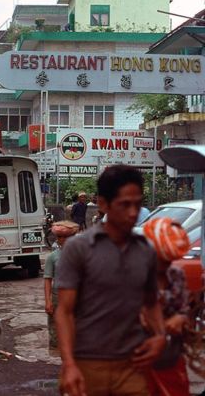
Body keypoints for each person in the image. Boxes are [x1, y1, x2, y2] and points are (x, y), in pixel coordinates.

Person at [56, 165, 166, 396]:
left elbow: (151, 302)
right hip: (87, 365)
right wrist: (69, 364)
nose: (133, 213)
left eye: (137, 204)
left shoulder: (145, 250)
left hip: (133, 367)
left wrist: (159, 337)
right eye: (125, 204)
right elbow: (64, 311)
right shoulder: (79, 248)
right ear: (104, 204)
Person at [142, 217, 192, 396]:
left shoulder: (176, 274)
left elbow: (184, 309)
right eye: (163, 260)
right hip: (138, 360)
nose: (167, 265)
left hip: (170, 358)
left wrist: (181, 318)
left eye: (170, 260)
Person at [43, 221, 79, 353]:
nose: (62, 240)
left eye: (66, 237)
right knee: (58, 331)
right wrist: (48, 301)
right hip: (58, 299)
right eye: (59, 237)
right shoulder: (52, 257)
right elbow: (47, 280)